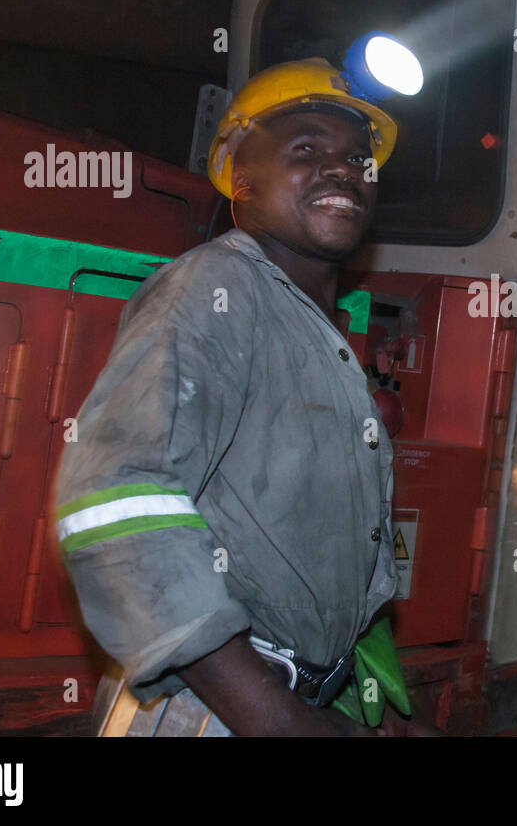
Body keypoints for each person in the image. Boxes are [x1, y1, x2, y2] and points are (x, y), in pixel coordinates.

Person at [55, 58, 414, 736]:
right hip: (212, 714)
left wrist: (383, 714)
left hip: (303, 699)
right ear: (239, 176)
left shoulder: (314, 328)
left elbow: (318, 560)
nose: (345, 170)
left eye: (359, 159)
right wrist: (271, 716)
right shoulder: (213, 293)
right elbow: (112, 501)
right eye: (307, 149)